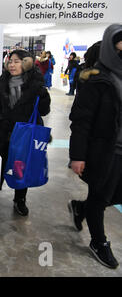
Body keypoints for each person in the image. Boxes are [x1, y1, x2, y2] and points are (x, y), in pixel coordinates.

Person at [68, 24, 122, 270]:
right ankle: (98, 242)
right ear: (112, 47)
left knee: (111, 196)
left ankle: (81, 207)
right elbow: (81, 121)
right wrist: (77, 156)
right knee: (100, 197)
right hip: (106, 150)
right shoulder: (96, 79)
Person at [0, 49, 51, 216]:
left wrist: (44, 96)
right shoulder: (3, 81)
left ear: (26, 63)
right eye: (10, 61)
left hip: (25, 135)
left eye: (16, 61)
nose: (12, 64)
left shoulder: (36, 85)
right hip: (4, 131)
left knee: (21, 166)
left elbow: (44, 111)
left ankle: (20, 199)